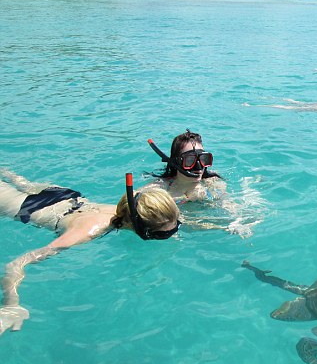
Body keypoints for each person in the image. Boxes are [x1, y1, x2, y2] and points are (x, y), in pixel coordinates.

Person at [0, 169, 181, 335]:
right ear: (142, 230)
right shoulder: (88, 232)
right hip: (27, 207)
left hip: (65, 196)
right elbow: (17, 263)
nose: (173, 233)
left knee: (19, 181)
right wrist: (11, 304)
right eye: (164, 234)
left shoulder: (133, 205)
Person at [144, 130, 260, 237]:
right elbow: (136, 198)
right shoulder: (163, 187)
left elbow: (227, 203)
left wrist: (237, 221)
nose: (199, 167)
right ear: (176, 163)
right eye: (190, 160)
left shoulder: (212, 182)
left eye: (203, 159)